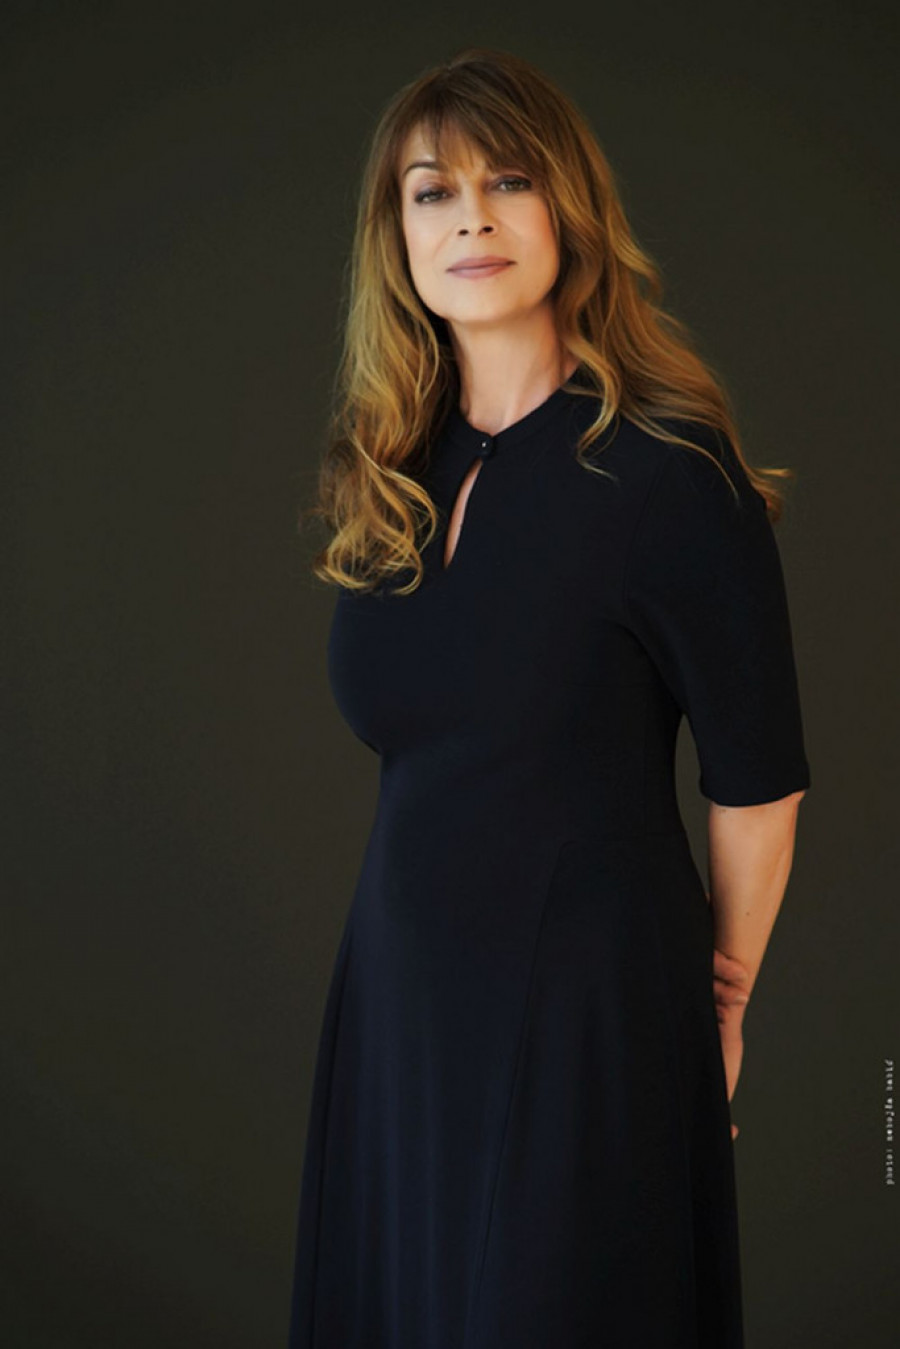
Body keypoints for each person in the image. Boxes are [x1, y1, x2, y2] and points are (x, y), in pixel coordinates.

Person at [288, 45, 810, 1349]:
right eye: (432, 192)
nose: (469, 218)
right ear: (396, 238)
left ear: (568, 209)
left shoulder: (671, 471)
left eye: (507, 181)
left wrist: (724, 1001)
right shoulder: (396, 475)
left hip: (592, 1012)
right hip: (400, 1011)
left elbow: (758, 777)